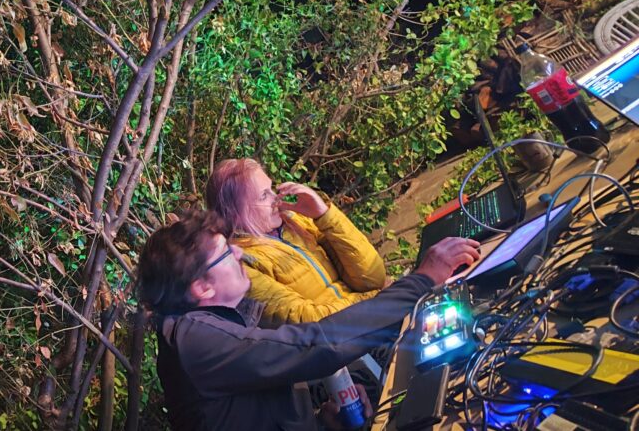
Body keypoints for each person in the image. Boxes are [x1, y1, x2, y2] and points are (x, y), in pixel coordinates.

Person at [137, 209, 479, 430]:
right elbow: (315, 344)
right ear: (201, 287)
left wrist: (320, 422)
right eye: (227, 252)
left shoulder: (211, 325)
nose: (239, 252)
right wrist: (421, 281)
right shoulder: (194, 339)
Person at [205, 158, 389, 325]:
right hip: (347, 341)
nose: (276, 198)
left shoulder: (296, 221)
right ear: (234, 213)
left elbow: (373, 278)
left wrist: (325, 216)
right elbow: (309, 321)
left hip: (369, 316)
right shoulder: (241, 264)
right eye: (264, 195)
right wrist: (377, 298)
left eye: (272, 189)